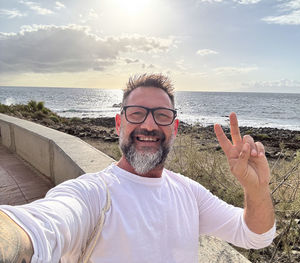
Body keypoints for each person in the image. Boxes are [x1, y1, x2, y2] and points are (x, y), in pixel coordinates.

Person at [0, 74, 275, 263]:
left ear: (174, 128)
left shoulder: (189, 193)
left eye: (162, 115)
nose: (149, 125)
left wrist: (256, 188)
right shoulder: (93, 193)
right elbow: (38, 227)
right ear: (119, 124)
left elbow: (255, 235)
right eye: (136, 113)